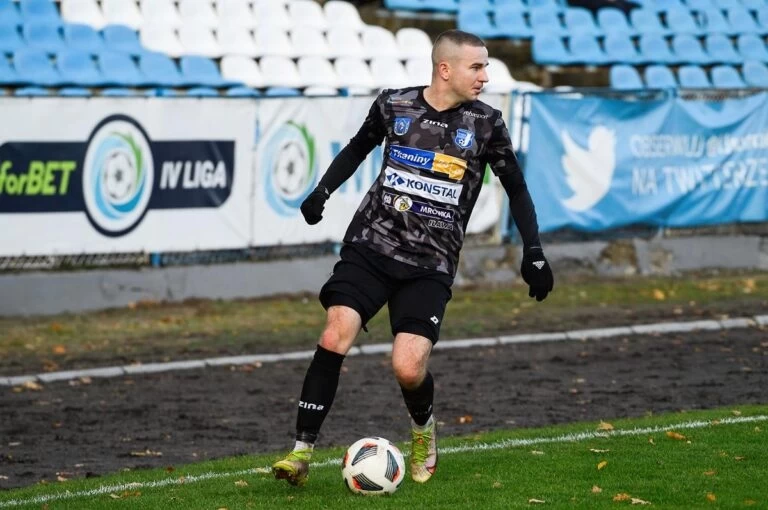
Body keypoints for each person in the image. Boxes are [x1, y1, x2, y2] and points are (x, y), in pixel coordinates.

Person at [272, 29, 554, 488]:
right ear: (445, 69)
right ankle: (300, 452)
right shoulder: (394, 104)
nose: (485, 76)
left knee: (407, 366)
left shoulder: (486, 124)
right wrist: (322, 191)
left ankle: (423, 430)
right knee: (335, 332)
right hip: (371, 246)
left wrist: (534, 252)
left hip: (430, 263)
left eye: (485, 67)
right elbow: (358, 147)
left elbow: (517, 189)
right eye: (476, 67)